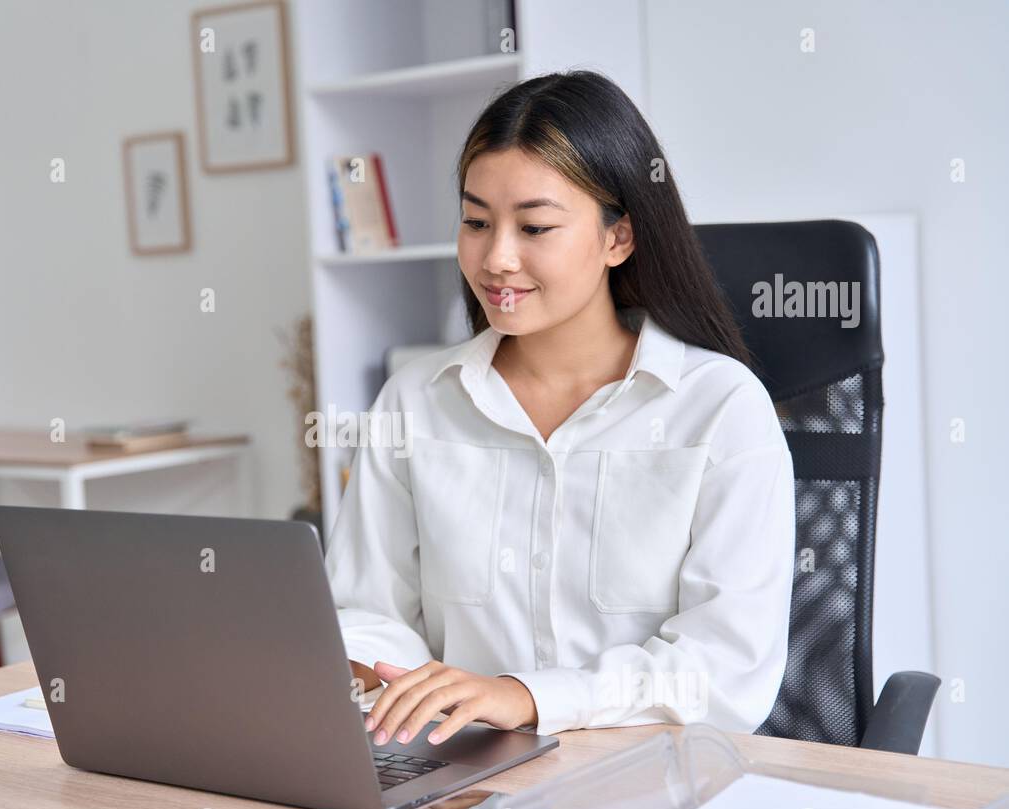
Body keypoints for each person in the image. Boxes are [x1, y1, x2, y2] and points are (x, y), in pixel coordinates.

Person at [324, 70, 795, 747]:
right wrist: (379, 672)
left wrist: (526, 697)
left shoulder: (720, 410)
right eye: (476, 222)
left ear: (618, 239)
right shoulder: (415, 402)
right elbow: (364, 609)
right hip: (463, 779)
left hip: (655, 785)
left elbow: (721, 670)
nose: (496, 258)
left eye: (535, 226)